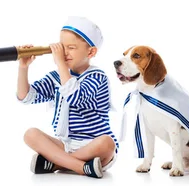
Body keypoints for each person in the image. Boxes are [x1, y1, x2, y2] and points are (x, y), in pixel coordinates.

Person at [17, 16, 119, 179]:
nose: (64, 53)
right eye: (62, 47)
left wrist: (61, 65)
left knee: (107, 142)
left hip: (94, 146)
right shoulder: (57, 77)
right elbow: (26, 97)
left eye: (71, 47)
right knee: (30, 134)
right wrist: (23, 68)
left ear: (91, 52)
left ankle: (57, 163)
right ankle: (81, 167)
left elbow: (74, 97)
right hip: (66, 145)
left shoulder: (98, 77)